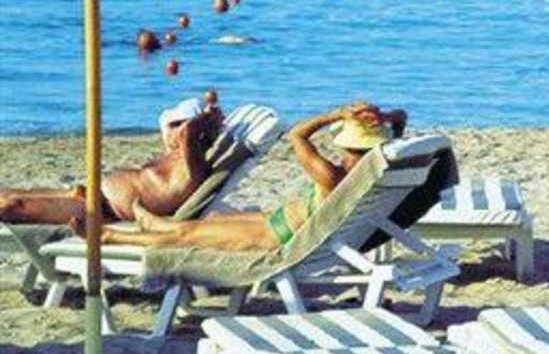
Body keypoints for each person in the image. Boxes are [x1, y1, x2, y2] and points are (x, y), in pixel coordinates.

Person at [76, 102, 406, 251]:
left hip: (279, 236)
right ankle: (154, 223)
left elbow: (297, 135)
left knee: (187, 236)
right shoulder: (381, 165)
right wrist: (385, 117)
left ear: (348, 146)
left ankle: (110, 237)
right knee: (201, 224)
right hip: (282, 220)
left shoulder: (331, 175)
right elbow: (402, 118)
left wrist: (335, 114)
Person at [0, 97, 222, 225]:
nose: (169, 130)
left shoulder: (194, 167)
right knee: (5, 195)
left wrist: (208, 116)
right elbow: (186, 132)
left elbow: (189, 132)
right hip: (89, 194)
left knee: (15, 206)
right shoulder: (173, 157)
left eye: (176, 125)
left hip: (99, 211)